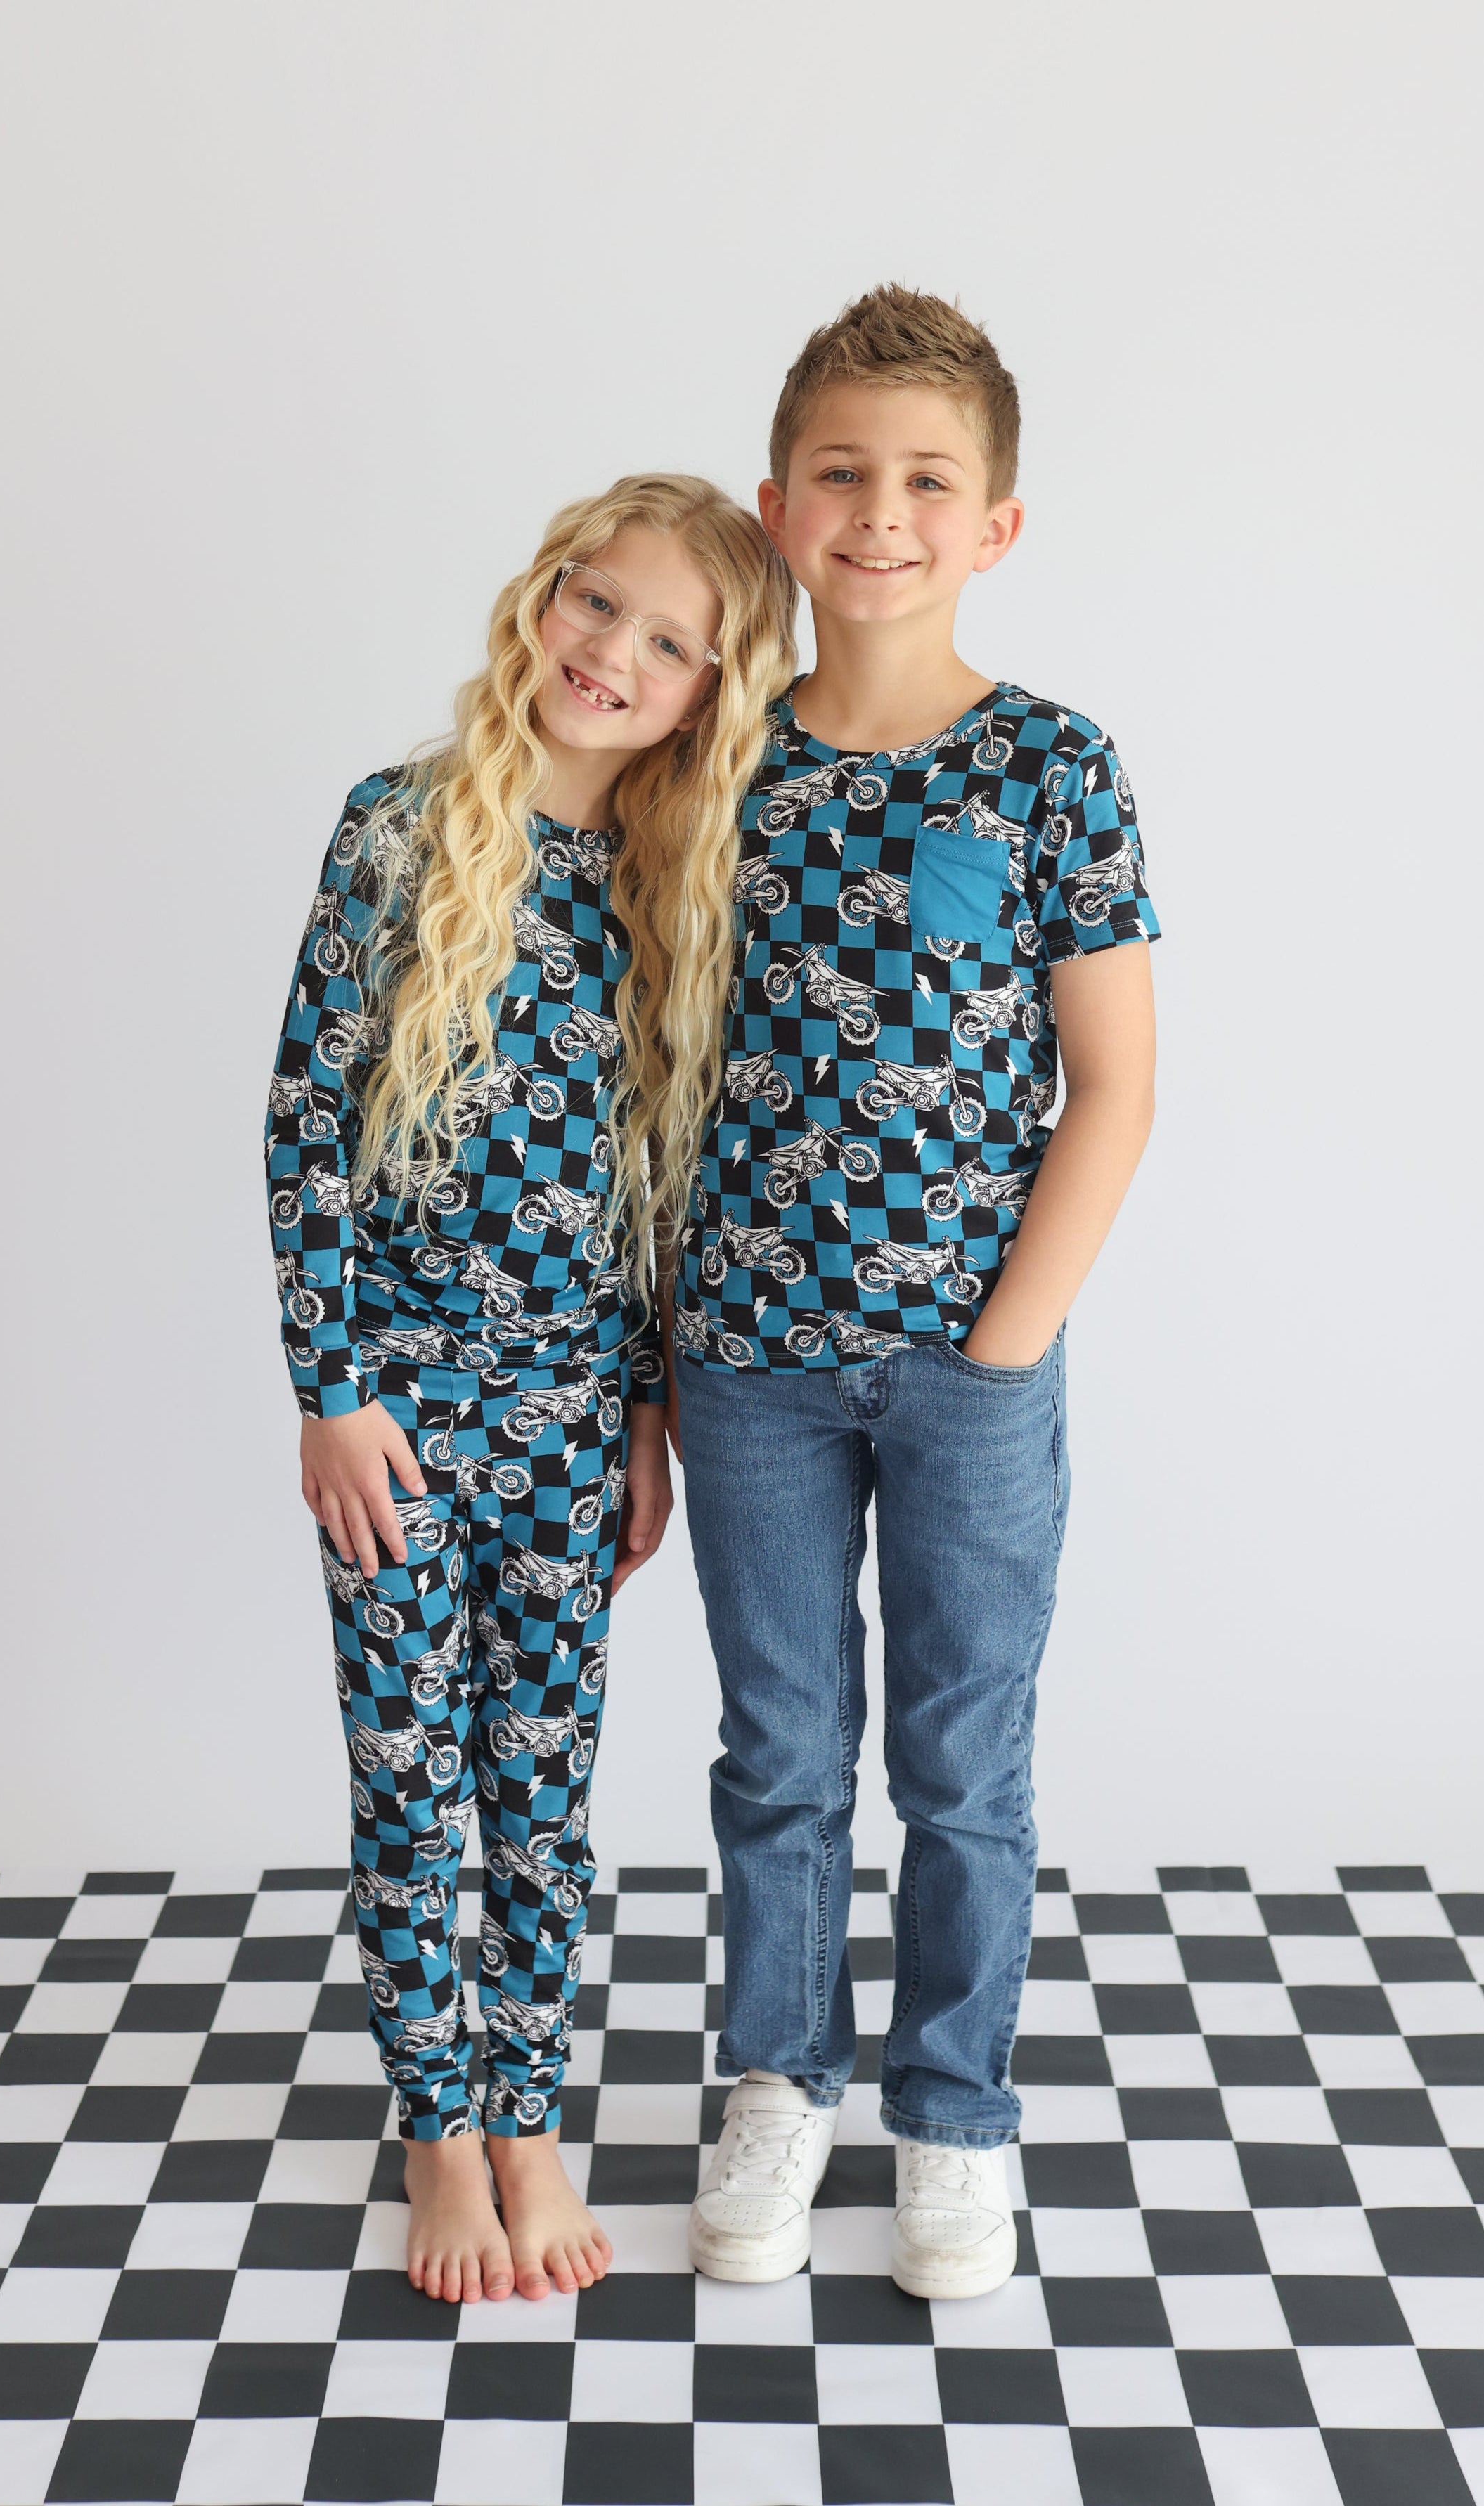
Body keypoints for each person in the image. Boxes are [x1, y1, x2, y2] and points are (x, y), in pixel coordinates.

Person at [672, 288, 1160, 2299]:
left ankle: (953, 2116)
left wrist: (1004, 1341)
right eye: (844, 473)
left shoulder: (1047, 767)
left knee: (963, 1764)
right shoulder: (710, 764)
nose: (883, 513)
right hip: (745, 1358)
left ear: (996, 524)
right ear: (778, 506)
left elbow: (1112, 1086)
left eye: (928, 481)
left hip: (973, 1363)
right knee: (780, 1752)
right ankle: (778, 2083)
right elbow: (653, 1076)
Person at [266, 475, 795, 2307]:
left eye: (669, 644)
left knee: (540, 1792)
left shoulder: (668, 887)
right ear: (540, 597)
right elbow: (305, 1126)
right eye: (596, 602)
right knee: (413, 1778)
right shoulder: (398, 828)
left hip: (570, 1421)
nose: (612, 653)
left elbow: (659, 1191)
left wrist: (643, 1413)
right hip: (399, 1418)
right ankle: (437, 2131)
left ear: (708, 694)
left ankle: (527, 2119)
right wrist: (330, 1391)